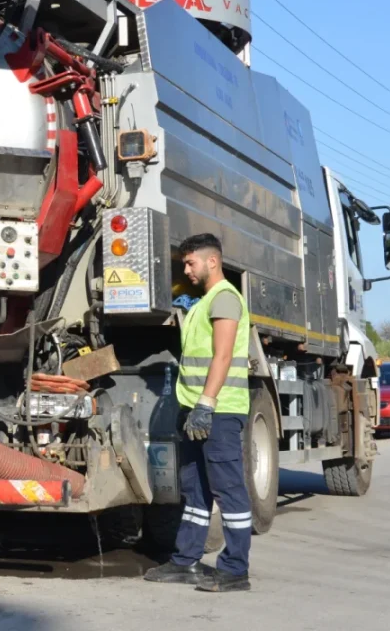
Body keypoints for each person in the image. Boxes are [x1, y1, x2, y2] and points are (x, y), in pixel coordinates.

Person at [144, 233, 253, 593]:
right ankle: (185, 561)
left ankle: (235, 569)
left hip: (219, 411)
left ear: (212, 262)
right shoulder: (204, 302)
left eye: (190, 263)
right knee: (195, 490)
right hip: (197, 412)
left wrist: (206, 404)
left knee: (228, 488)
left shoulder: (224, 298)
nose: (186, 270)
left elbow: (222, 356)